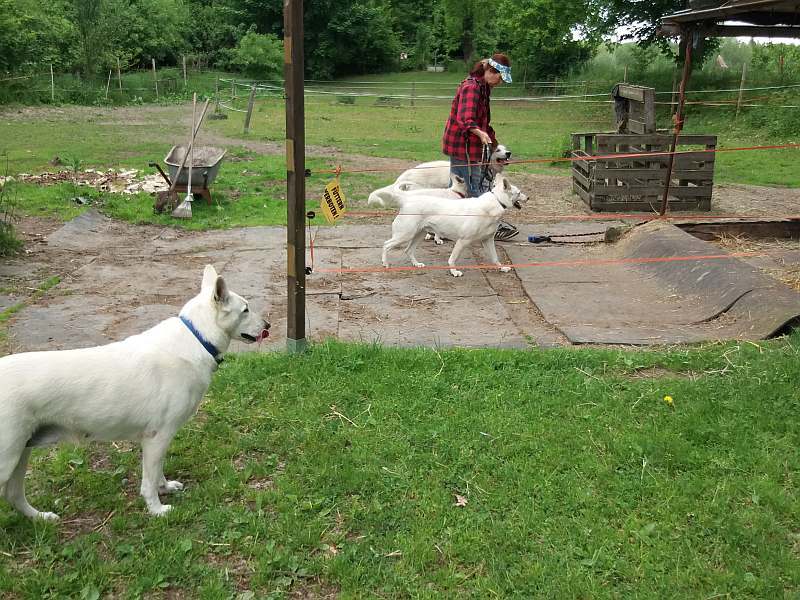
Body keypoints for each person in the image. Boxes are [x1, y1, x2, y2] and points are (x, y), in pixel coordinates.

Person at [441, 53, 518, 241]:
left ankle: (480, 227)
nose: (499, 82)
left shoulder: (484, 88)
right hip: (462, 146)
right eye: (499, 77)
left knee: (475, 185)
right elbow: (465, 119)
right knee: (465, 189)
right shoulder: (471, 88)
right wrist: (479, 133)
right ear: (490, 71)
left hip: (474, 146)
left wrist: (495, 145)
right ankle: (462, 228)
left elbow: (484, 122)